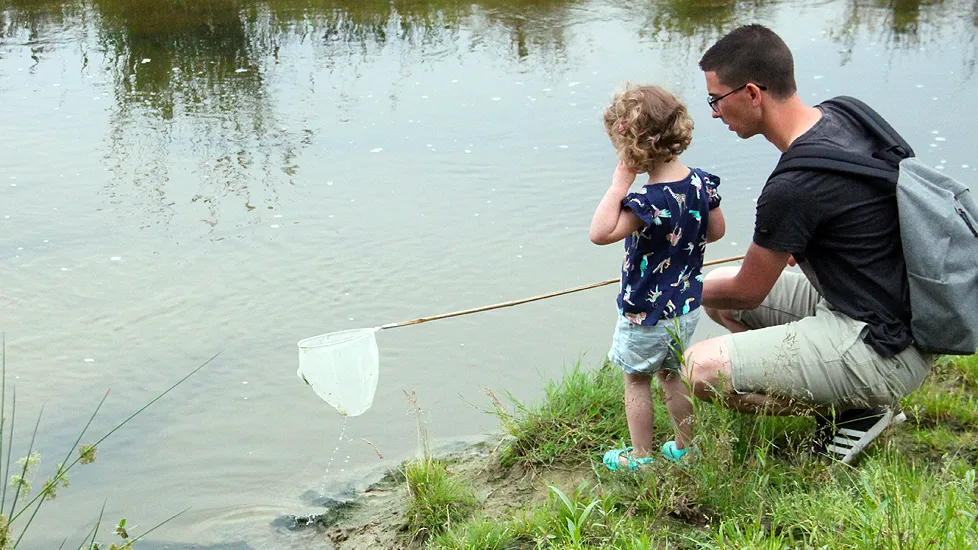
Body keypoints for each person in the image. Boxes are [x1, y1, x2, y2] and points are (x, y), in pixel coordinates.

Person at [685, 24, 934, 463]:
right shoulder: (846, 114)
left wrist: (665, 287)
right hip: (894, 313)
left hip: (882, 346)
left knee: (698, 370)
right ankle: (838, 390)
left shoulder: (794, 186)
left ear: (751, 93)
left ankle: (856, 411)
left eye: (716, 100)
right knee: (718, 296)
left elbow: (750, 290)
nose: (714, 113)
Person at [590, 83, 725, 471]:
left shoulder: (646, 202)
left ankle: (640, 457)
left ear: (632, 146)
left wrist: (619, 184)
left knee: (636, 381)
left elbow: (600, 233)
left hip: (644, 313)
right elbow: (715, 231)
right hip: (685, 307)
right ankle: (685, 448)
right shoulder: (701, 183)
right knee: (672, 375)